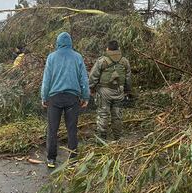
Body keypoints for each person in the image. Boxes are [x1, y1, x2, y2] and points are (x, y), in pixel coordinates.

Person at [41, 32, 90, 168]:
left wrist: (44, 97)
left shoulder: (51, 57)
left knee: (52, 129)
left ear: (58, 43)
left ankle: (51, 159)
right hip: (72, 99)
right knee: (72, 129)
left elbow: (46, 80)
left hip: (54, 98)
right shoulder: (77, 57)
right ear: (70, 43)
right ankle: (73, 160)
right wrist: (85, 97)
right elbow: (84, 79)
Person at [89, 40, 131, 141]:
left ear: (107, 49)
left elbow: (93, 76)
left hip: (104, 91)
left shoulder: (102, 61)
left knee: (103, 114)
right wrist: (127, 90)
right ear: (119, 49)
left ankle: (101, 139)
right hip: (119, 91)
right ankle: (118, 138)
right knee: (117, 115)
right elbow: (128, 78)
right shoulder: (125, 61)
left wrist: (91, 88)